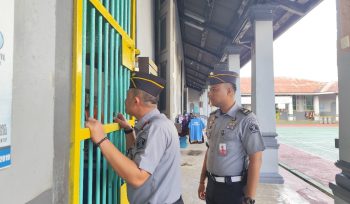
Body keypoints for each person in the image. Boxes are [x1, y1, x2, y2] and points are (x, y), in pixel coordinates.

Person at [86, 72, 183, 204]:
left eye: (126, 97)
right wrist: (128, 130)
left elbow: (138, 177)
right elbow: (139, 157)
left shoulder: (156, 128)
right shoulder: (153, 125)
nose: (124, 101)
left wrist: (102, 139)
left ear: (135, 100)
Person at [197, 70, 265, 204]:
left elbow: (256, 159)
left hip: (233, 190)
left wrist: (249, 198)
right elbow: (209, 150)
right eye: (210, 90)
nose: (210, 94)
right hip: (212, 186)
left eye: (214, 90)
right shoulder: (213, 117)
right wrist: (202, 181)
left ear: (229, 91)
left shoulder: (246, 119)